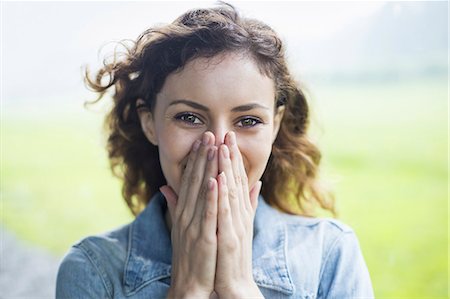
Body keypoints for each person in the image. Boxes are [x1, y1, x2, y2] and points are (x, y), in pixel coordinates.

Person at [56, 3, 374, 298]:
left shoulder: (331, 254)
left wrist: (239, 288)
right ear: (150, 122)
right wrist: (189, 290)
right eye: (189, 117)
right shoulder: (92, 270)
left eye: (248, 120)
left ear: (275, 125)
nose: (219, 145)